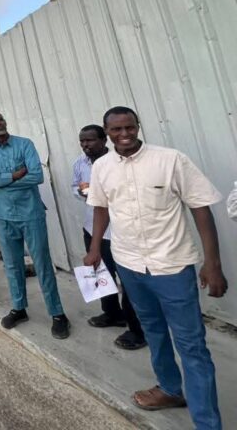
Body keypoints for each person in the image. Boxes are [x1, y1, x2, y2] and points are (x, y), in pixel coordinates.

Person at [85, 106, 227, 427]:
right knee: (153, 330)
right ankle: (169, 389)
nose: (124, 135)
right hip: (129, 264)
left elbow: (200, 208)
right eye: (116, 130)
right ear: (107, 133)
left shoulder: (170, 160)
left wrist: (212, 264)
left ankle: (207, 422)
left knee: (191, 344)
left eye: (129, 127)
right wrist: (94, 249)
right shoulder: (102, 167)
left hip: (172, 266)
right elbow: (101, 208)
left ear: (138, 126)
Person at [0, 110, 70, 339]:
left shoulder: (24, 144)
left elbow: (37, 176)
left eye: (0, 119)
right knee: (12, 265)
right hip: (4, 216)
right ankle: (19, 308)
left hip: (30, 214)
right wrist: (14, 175)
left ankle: (57, 314)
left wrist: (2, 181)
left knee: (42, 264)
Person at [72, 124, 145, 350]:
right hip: (93, 229)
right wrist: (81, 191)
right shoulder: (80, 163)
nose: (85, 145)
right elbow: (75, 187)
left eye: (90, 140)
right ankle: (112, 314)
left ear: (104, 140)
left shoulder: (118, 163)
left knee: (129, 281)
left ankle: (137, 329)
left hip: (120, 232)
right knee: (101, 274)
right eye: (82, 141)